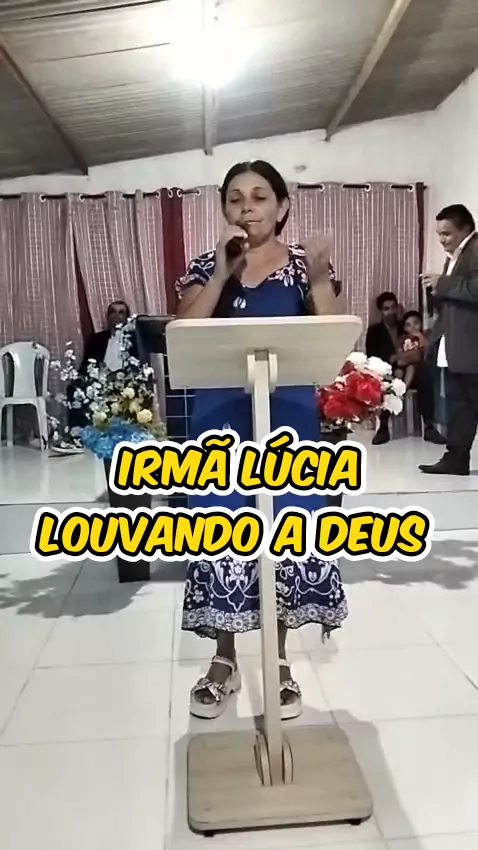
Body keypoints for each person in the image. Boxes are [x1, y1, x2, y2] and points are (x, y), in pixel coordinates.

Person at [176, 160, 346, 721]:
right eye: (235, 198)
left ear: (282, 205)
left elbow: (333, 341)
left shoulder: (302, 266)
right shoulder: (207, 264)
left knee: (284, 533)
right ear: (224, 208)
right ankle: (224, 661)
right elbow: (184, 328)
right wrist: (220, 276)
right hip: (220, 421)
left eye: (259, 196)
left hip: (287, 421)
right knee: (222, 533)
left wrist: (318, 279)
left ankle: (277, 662)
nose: (246, 207)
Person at [419, 204, 478, 476]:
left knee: (468, 405)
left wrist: (442, 283)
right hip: (456, 347)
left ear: (466, 229)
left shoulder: (475, 249)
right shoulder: (455, 256)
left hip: (471, 347)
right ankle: (456, 458)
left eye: (447, 233)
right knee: (459, 408)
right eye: (439, 234)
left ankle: (456, 457)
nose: (442, 240)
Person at [51, 300, 136, 455]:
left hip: (122, 381)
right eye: (113, 312)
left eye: (121, 312)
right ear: (107, 316)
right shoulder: (97, 339)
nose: (116, 316)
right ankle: (76, 437)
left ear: (126, 317)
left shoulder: (134, 339)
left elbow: (138, 365)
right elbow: (85, 365)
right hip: (98, 380)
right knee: (75, 389)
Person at [366, 292, 444, 445]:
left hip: (411, 371)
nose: (391, 311)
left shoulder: (405, 328)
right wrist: (394, 361)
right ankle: (383, 427)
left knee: (424, 374)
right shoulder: (374, 332)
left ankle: (429, 427)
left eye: (393, 307)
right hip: (388, 372)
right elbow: (372, 357)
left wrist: (403, 358)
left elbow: (417, 351)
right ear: (380, 311)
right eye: (387, 308)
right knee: (387, 381)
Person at [396, 310, 428, 389]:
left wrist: (420, 336)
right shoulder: (402, 338)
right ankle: (396, 390)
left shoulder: (424, 336)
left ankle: (403, 390)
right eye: (408, 325)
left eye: (416, 323)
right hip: (404, 363)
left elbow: (426, 348)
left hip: (418, 365)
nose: (412, 327)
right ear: (404, 328)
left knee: (411, 367)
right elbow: (399, 353)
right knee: (398, 372)